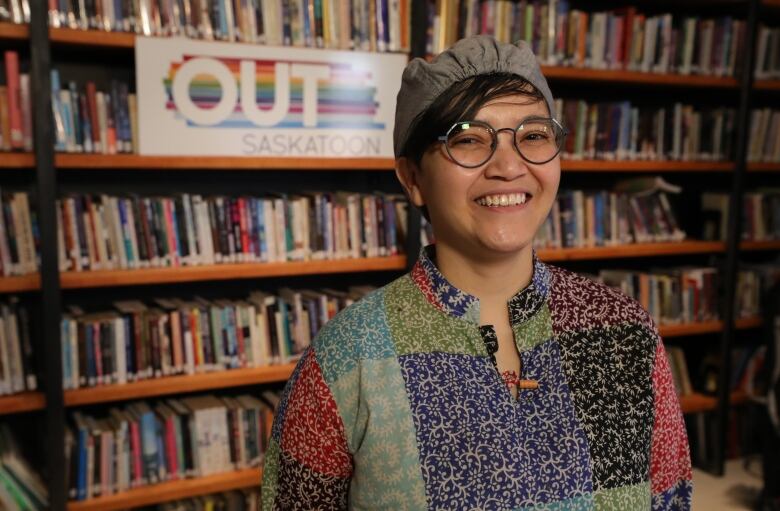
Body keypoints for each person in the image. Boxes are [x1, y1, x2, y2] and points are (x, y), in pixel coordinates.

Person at [260, 35, 692, 510]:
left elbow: (670, 498)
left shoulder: (624, 330)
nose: (509, 166)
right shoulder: (346, 359)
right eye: (468, 139)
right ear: (412, 178)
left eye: (533, 136)